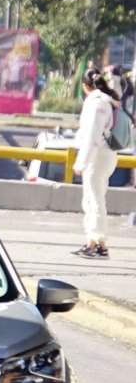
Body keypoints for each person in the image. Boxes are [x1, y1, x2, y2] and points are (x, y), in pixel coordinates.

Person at [72, 68, 121, 258]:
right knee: (96, 199)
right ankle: (99, 244)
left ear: (85, 86)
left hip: (97, 156)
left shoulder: (96, 104)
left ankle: (94, 245)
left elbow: (92, 136)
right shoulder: (106, 101)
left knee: (94, 200)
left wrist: (81, 162)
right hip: (105, 155)